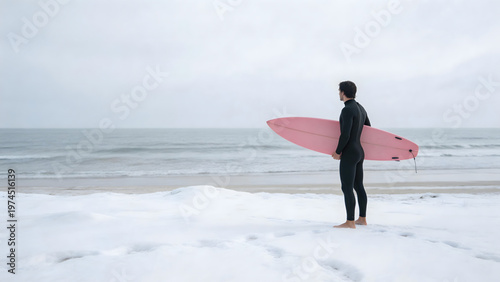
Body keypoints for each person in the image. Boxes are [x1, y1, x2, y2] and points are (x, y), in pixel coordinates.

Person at [331, 81, 371, 229]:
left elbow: (345, 134)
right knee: (358, 186)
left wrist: (338, 151)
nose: (338, 94)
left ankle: (349, 222)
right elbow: (369, 128)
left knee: (346, 187)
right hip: (359, 152)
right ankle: (362, 219)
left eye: (339, 91)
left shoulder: (347, 110)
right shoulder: (361, 108)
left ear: (343, 92)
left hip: (349, 152)